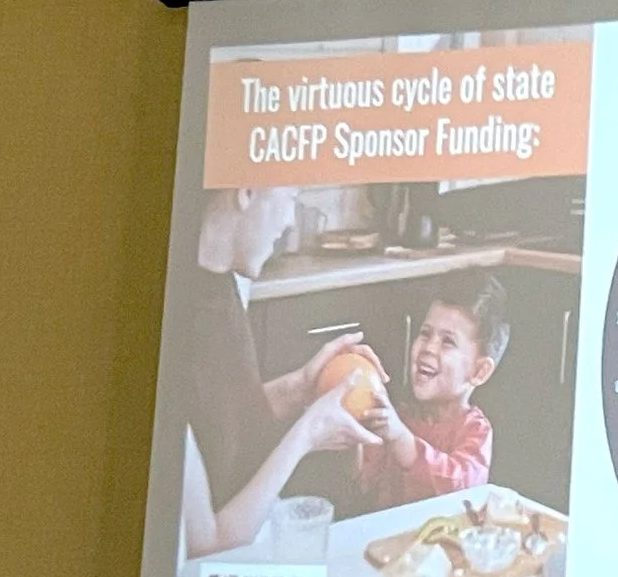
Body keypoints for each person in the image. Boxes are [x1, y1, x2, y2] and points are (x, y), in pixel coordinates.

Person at [179, 184, 379, 556]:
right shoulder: (169, 320)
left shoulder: (218, 284)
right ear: (247, 191)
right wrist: (306, 434)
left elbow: (216, 421)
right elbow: (205, 542)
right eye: (289, 197)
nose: (289, 222)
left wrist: (301, 387)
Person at [351, 275, 506, 513]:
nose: (428, 347)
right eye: (425, 333)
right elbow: (363, 481)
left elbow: (460, 488)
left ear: (479, 371)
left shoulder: (476, 431)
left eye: (447, 342)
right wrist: (352, 425)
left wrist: (402, 439)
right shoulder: (399, 417)